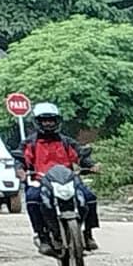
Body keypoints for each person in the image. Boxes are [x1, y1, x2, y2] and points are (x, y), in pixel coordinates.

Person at [19, 100, 84, 246]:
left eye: (51, 120)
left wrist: (90, 165)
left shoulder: (67, 142)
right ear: (38, 122)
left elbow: (80, 155)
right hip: (40, 180)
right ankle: (42, 236)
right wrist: (20, 170)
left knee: (88, 197)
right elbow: (21, 159)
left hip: (67, 180)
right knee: (32, 199)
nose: (48, 124)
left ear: (57, 121)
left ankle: (87, 233)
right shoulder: (30, 143)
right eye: (44, 120)